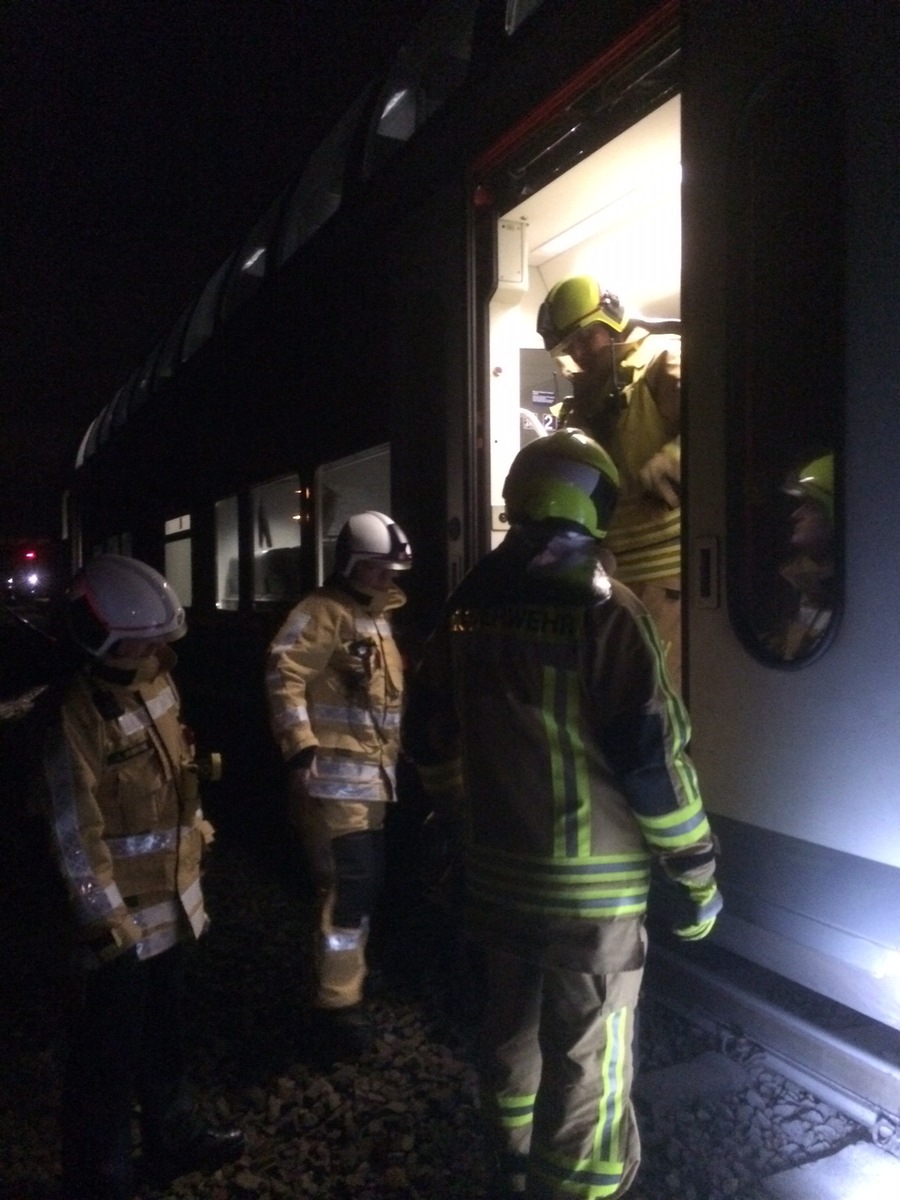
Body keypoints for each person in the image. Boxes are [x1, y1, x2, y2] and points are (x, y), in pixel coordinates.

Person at [402, 429, 721, 1200]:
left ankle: (510, 1166)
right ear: (597, 501)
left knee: (512, 1033)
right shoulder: (612, 612)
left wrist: (459, 816)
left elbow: (426, 732)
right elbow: (653, 760)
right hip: (593, 900)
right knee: (588, 1060)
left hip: (499, 886)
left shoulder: (469, 606)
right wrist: (696, 875)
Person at [40, 554, 244, 1200]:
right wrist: (105, 926)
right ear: (106, 639)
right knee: (104, 1065)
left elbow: (176, 776)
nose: (157, 647)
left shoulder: (157, 684)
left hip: (167, 912)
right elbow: (75, 836)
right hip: (118, 928)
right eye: (144, 638)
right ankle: (102, 1177)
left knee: (165, 1043)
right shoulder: (72, 716)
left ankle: (171, 1137)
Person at [265, 510, 411, 1061]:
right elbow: (284, 672)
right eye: (377, 568)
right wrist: (299, 743)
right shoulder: (322, 612)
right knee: (348, 890)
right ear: (351, 564)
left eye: (392, 568)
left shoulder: (378, 619)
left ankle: (345, 991)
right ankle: (336, 1005)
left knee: (360, 889)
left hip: (370, 786)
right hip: (333, 783)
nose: (388, 578)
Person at [537, 275, 684, 690]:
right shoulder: (579, 407)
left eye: (587, 338)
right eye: (570, 347)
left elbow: (716, 426)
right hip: (606, 576)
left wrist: (673, 458)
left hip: (667, 574)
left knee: (655, 700)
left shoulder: (662, 363)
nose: (580, 353)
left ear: (614, 321)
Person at [769, 452, 835, 661]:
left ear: (834, 513)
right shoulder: (797, 582)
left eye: (810, 505)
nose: (795, 515)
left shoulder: (848, 595)